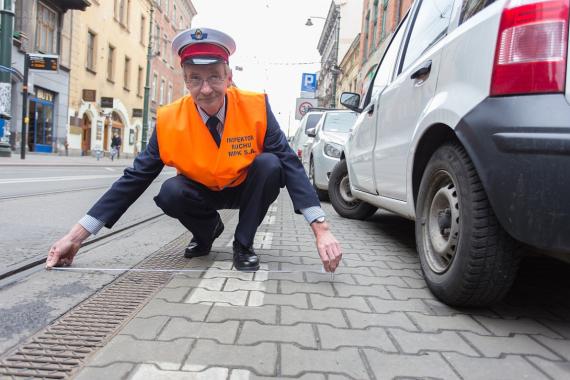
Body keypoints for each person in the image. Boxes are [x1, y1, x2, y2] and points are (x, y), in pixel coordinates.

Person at [46, 28, 341, 272]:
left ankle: (243, 244)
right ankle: (206, 232)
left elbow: (290, 162)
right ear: (185, 80)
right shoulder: (168, 119)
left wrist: (321, 228)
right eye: (195, 79)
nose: (206, 89)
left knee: (271, 165)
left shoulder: (256, 107)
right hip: (200, 192)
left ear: (229, 77)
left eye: (214, 76)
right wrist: (76, 237)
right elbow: (135, 177)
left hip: (244, 188)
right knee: (169, 192)